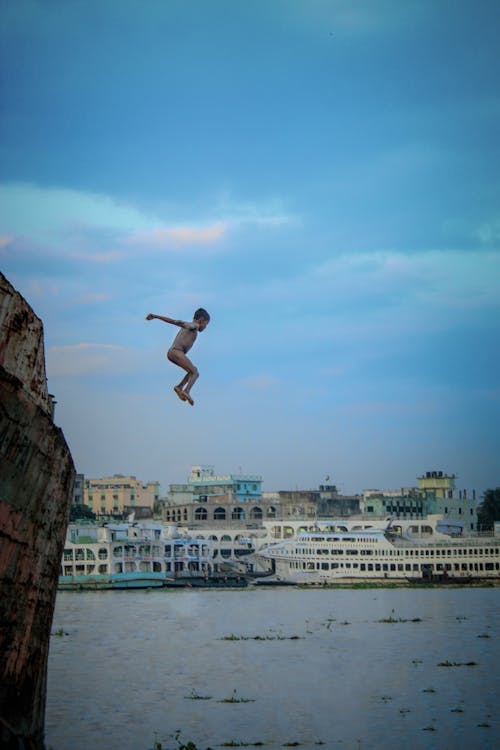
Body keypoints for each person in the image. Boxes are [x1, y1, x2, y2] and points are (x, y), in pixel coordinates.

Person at [146, 308, 210, 405]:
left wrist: (156, 316)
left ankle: (179, 387)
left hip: (172, 353)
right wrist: (156, 316)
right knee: (195, 372)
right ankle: (186, 391)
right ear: (201, 320)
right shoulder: (194, 325)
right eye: (206, 324)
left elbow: (177, 322)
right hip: (176, 352)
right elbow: (177, 322)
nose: (205, 327)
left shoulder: (192, 327)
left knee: (191, 372)